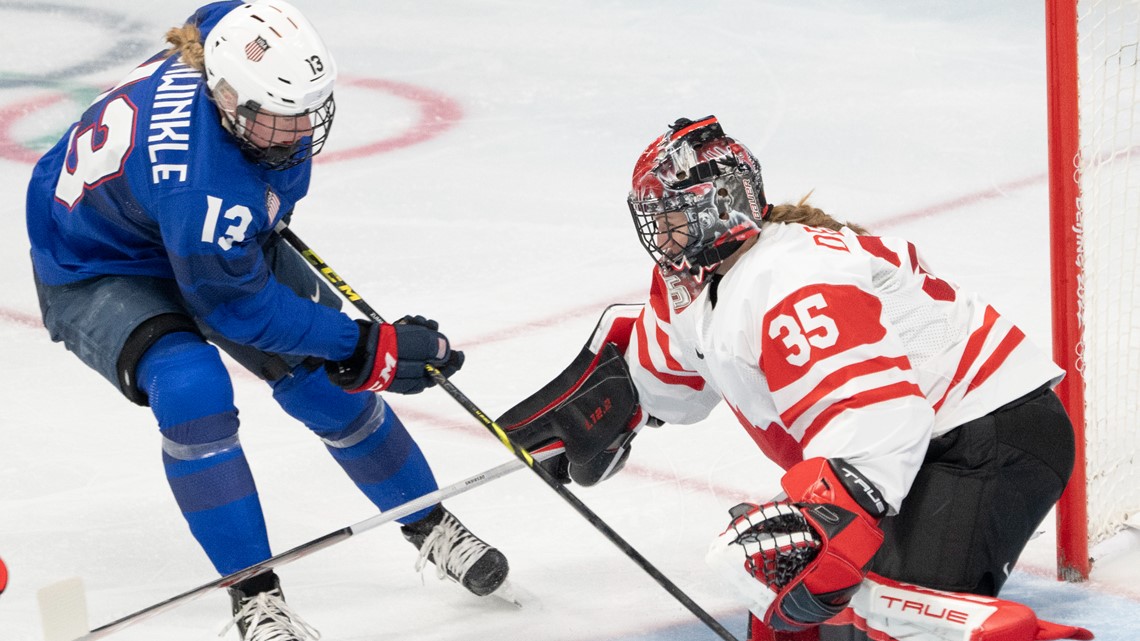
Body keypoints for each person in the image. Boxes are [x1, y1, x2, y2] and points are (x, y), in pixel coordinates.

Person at [496, 116, 1088, 641]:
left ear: (718, 207)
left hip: (988, 439)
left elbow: (877, 417)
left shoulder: (795, 281)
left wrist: (830, 528)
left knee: (873, 609)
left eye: (673, 216)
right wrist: (601, 408)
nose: (662, 232)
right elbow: (670, 371)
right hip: (922, 445)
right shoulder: (698, 280)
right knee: (775, 580)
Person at [25, 2, 508, 639]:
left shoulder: (221, 56)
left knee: (325, 382)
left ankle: (424, 519)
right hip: (98, 263)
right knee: (193, 388)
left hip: (181, 226)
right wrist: (366, 343)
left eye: (306, 110)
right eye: (276, 118)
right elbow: (240, 310)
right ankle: (255, 594)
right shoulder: (205, 182)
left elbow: (217, 15)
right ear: (225, 99)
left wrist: (357, 350)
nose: (300, 129)